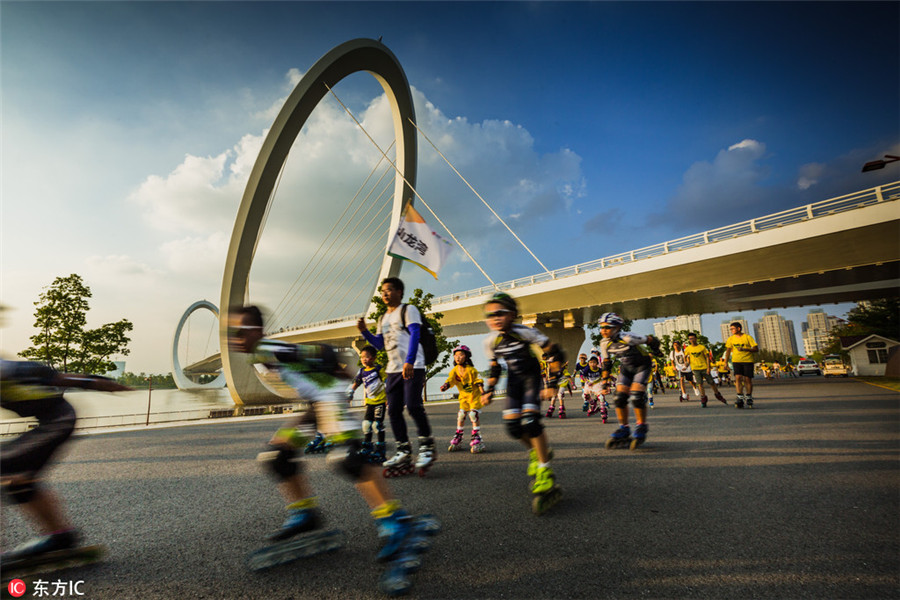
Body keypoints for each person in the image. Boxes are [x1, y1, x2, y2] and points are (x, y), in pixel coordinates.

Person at [228, 305, 422, 559]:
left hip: (329, 397)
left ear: (258, 331)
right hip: (315, 403)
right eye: (231, 333)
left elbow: (323, 352)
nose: (235, 339)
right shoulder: (258, 355)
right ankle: (304, 512)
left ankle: (393, 519)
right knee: (276, 456)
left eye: (240, 332)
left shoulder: (268, 349)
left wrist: (340, 375)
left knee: (346, 459)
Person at [1, 358, 131, 566]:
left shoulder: (22, 370)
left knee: (6, 469)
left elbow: (66, 378)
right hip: (47, 424)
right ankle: (60, 535)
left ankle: (59, 535)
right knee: (18, 480)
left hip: (59, 421)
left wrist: (99, 383)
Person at [481, 292, 564, 514]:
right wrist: (488, 390)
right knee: (513, 428)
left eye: (500, 313)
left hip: (531, 379)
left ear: (513, 315)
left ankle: (545, 470)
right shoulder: (490, 341)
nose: (495, 318)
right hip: (514, 382)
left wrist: (552, 382)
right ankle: (536, 452)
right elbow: (495, 367)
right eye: (490, 315)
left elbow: (554, 353)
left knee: (531, 423)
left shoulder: (525, 332)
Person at [356, 277, 435, 473]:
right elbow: (380, 345)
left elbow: (415, 334)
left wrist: (409, 360)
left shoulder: (408, 310)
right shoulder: (382, 318)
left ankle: (427, 447)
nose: (385, 293)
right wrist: (365, 332)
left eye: (390, 290)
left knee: (414, 406)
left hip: (412, 365)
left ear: (400, 292)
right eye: (383, 291)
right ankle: (403, 450)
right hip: (392, 370)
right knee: (393, 411)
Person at [597, 312, 661, 449]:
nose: (603, 331)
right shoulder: (604, 343)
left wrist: (656, 351)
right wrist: (605, 382)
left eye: (607, 327)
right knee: (619, 398)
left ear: (616, 328)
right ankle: (624, 428)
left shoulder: (628, 337)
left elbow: (652, 340)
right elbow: (606, 364)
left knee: (636, 397)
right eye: (601, 327)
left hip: (642, 365)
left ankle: (641, 426)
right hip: (626, 367)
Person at [440, 345, 486, 453]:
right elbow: (450, 380)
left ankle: (477, 438)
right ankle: (458, 436)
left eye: (461, 355)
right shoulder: (455, 370)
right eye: (456, 355)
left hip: (474, 397)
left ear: (467, 357)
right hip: (464, 398)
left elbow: (478, 381)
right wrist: (445, 386)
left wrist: (483, 393)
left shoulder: (472, 370)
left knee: (473, 415)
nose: (458, 357)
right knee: (461, 415)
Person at [350, 345, 388, 463]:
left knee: (377, 426)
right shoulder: (362, 371)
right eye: (362, 357)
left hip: (380, 402)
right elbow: (356, 382)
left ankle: (381, 450)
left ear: (374, 358)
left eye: (366, 357)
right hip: (370, 403)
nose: (364, 359)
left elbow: (388, 382)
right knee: (366, 425)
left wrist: (390, 397)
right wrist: (351, 392)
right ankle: (367, 448)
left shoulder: (378, 369)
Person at [683, 333, 727, 407]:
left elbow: (707, 357)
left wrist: (708, 367)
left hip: (704, 367)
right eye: (690, 339)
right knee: (699, 384)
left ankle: (717, 394)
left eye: (693, 338)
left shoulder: (702, 347)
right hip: (695, 369)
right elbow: (686, 358)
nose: (692, 340)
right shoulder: (688, 349)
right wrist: (686, 365)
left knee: (711, 382)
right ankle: (703, 397)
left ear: (696, 338)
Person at [723, 322, 759, 408]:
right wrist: (725, 362)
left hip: (748, 361)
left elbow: (756, 349)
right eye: (730, 329)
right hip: (736, 361)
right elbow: (728, 351)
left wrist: (745, 349)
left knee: (747, 379)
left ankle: (749, 396)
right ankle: (740, 396)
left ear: (738, 328)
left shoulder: (747, 337)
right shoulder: (731, 339)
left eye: (732, 329)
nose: (731, 330)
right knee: (738, 378)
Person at [582, 355, 609, 421]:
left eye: (594, 362)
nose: (592, 364)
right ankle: (593, 403)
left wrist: (607, 384)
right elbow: (583, 376)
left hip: (597, 384)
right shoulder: (587, 369)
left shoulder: (600, 370)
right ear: (588, 363)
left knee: (601, 397)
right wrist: (587, 381)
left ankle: (603, 411)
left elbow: (604, 377)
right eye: (591, 362)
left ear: (597, 363)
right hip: (589, 383)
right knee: (584, 396)